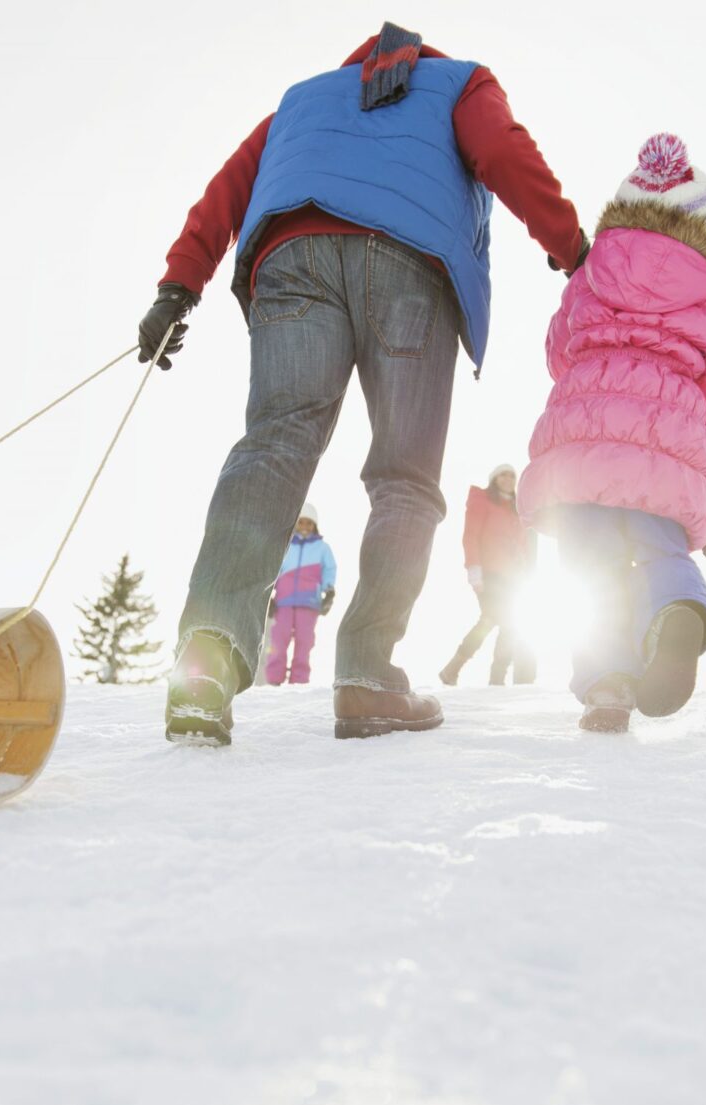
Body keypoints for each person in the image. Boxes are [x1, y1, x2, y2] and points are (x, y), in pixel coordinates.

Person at [138, 22, 585, 745]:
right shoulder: (460, 82)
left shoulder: (304, 101)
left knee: (275, 444)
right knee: (405, 477)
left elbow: (227, 191)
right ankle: (368, 677)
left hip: (293, 256)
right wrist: (572, 250)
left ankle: (207, 654)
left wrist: (177, 286)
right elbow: (502, 152)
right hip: (409, 263)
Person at [519, 133, 706, 732]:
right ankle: (677, 609)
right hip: (666, 455)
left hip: (580, 449)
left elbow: (557, 353)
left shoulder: (591, 272)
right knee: (659, 552)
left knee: (591, 568)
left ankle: (607, 687)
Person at [440, 464, 536, 685]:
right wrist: (474, 569)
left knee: (509, 623)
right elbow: (470, 535)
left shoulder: (516, 509)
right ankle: (454, 668)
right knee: (492, 617)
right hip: (489, 572)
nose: (509, 478)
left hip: (513, 577)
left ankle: (493, 677)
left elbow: (523, 545)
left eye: (512, 475)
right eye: (503, 474)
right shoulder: (482, 502)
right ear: (494, 478)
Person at [265, 504, 337, 685]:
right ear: (295, 524)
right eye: (301, 522)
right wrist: (268, 596)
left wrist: (329, 591)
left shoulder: (322, 548)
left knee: (304, 643)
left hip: (309, 602)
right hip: (284, 601)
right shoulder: (285, 546)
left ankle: (298, 681)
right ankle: (274, 680)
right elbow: (274, 569)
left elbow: (329, 568)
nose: (305, 527)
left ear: (315, 526)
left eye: (309, 523)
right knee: (278, 641)